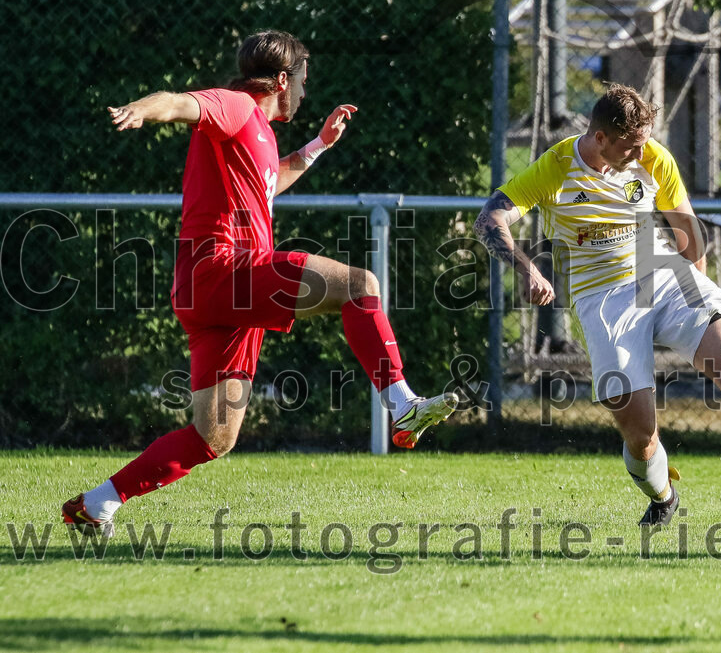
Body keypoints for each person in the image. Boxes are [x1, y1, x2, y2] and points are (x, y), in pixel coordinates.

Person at [62, 30, 457, 537]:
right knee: (361, 285)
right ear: (283, 79)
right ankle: (401, 403)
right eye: (303, 84)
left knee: (214, 436)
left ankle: (98, 503)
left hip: (209, 294)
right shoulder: (237, 105)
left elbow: (271, 178)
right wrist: (143, 108)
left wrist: (316, 147)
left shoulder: (261, 133)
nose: (305, 96)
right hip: (227, 269)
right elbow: (182, 102)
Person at [474, 84, 721, 526]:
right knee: (640, 437)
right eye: (632, 146)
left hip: (664, 274)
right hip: (602, 299)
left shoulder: (653, 156)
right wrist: (527, 270)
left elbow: (688, 233)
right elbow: (491, 218)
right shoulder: (556, 167)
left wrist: (699, 300)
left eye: (645, 142)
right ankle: (663, 494)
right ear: (601, 139)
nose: (642, 153)